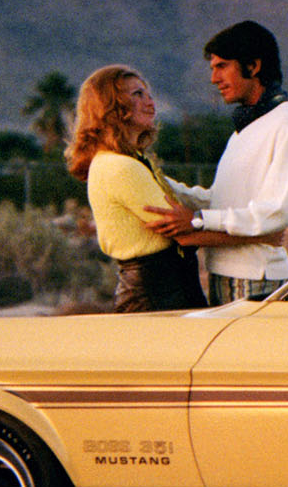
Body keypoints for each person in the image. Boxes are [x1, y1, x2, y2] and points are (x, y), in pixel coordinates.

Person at [145, 20, 288, 305]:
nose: (214, 78)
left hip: (257, 277)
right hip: (222, 273)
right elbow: (221, 201)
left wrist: (197, 220)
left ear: (254, 66)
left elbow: (275, 214)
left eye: (222, 66)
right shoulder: (245, 127)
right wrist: (153, 179)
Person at [65, 65, 208, 313]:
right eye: (137, 94)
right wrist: (258, 236)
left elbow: (190, 199)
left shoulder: (133, 161)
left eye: (148, 94)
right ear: (110, 106)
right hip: (154, 298)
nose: (150, 102)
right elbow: (183, 232)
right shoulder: (119, 166)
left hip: (166, 291)